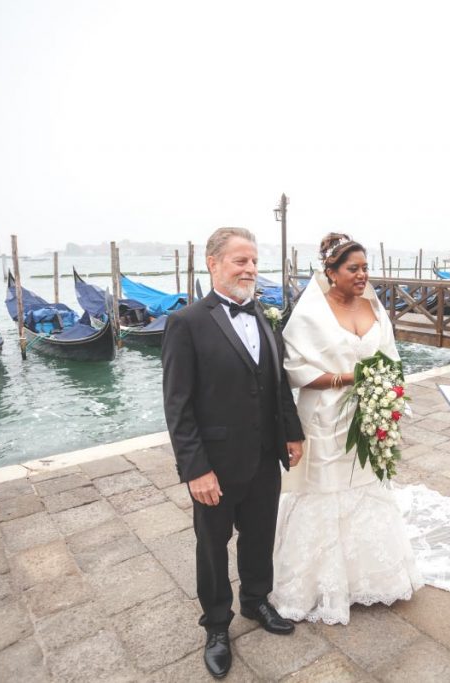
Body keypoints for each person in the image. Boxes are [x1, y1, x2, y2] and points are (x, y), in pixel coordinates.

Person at [162, 227, 305, 679]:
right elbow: (178, 406)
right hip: (215, 465)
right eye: (240, 261)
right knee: (212, 547)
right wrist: (195, 469)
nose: (250, 269)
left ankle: (256, 600)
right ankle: (217, 626)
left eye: (253, 261)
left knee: (261, 535)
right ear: (213, 263)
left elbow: (276, 382)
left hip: (265, 457)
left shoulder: (264, 314)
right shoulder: (187, 323)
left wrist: (293, 433)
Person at [270, 233, 422, 624]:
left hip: (368, 414)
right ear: (331, 272)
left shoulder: (374, 306)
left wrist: (386, 396)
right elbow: (295, 370)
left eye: (365, 268)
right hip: (325, 416)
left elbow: (390, 357)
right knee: (324, 489)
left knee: (366, 486)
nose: (362, 275)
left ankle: (372, 574)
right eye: (353, 269)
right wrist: (346, 378)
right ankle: (320, 582)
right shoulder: (310, 314)